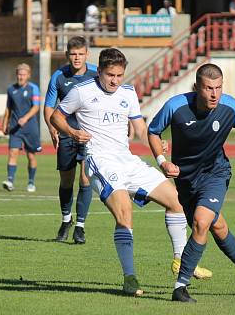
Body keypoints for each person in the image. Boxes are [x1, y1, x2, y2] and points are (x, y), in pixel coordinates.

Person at [50, 47, 191, 296]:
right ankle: (130, 278)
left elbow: (139, 127)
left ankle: (180, 261)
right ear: (100, 71)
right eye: (110, 75)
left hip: (127, 160)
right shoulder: (81, 91)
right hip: (100, 161)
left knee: (176, 201)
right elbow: (56, 117)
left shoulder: (128, 92)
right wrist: (73, 133)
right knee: (125, 213)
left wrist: (159, 146)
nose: (115, 81)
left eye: (119, 75)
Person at [148, 63, 235, 303]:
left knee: (201, 222)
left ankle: (180, 287)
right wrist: (163, 162)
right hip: (186, 182)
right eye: (208, 88)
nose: (214, 94)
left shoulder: (231, 107)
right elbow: (153, 131)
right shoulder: (175, 106)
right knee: (218, 228)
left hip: (215, 174)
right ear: (197, 87)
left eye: (218, 88)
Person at [44, 36, 97, 244]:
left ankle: (81, 227)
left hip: (88, 135)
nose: (77, 58)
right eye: (73, 54)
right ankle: (66, 220)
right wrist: (51, 127)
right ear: (67, 55)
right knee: (66, 181)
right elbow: (49, 106)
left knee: (85, 180)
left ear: (87, 54)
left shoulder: (96, 74)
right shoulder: (58, 76)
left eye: (80, 54)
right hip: (66, 134)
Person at [2, 63, 41, 193]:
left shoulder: (34, 88)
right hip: (15, 127)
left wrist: (25, 118)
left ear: (28, 75)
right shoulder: (10, 89)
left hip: (30, 127)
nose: (21, 77)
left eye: (23, 74)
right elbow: (8, 108)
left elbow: (36, 107)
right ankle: (10, 181)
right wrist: (4, 123)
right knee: (13, 152)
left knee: (30, 156)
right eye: (19, 74)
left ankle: (31, 182)